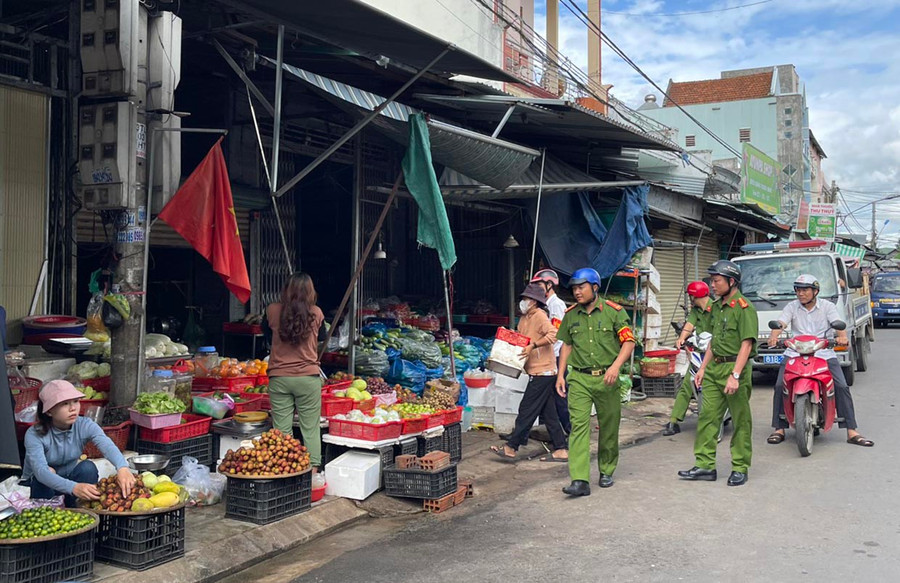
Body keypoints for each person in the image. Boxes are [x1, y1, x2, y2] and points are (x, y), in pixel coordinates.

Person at [766, 274, 874, 447]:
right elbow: (781, 323)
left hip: (823, 353)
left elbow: (838, 323)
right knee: (780, 385)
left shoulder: (827, 307)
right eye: (798, 290)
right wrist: (774, 336)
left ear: (815, 291)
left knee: (841, 386)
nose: (801, 294)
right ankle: (779, 428)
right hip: (795, 353)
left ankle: (851, 430)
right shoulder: (792, 306)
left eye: (805, 290)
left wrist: (842, 337)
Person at [557, 268, 636, 496]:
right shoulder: (571, 315)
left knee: (609, 426)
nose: (577, 292)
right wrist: (560, 375)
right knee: (578, 428)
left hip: (607, 379)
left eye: (581, 287)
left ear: (594, 287)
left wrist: (615, 367)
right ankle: (580, 480)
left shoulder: (614, 312)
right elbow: (566, 345)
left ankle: (606, 469)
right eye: (574, 288)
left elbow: (629, 342)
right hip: (579, 379)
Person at [679, 260, 757, 487]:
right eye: (712, 281)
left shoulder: (744, 308)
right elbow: (714, 340)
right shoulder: (716, 307)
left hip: (734, 368)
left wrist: (735, 375)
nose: (712, 285)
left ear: (731, 282)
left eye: (716, 281)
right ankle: (705, 465)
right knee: (707, 417)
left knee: (741, 420)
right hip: (714, 369)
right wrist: (703, 367)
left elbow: (746, 345)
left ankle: (740, 467)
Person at [22, 380, 134, 507]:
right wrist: (73, 487)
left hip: (68, 481)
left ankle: (80, 509)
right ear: (49, 411)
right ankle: (49, 511)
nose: (73, 408)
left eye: (75, 401)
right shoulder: (34, 434)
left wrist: (122, 467)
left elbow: (107, 445)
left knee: (87, 468)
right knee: (48, 472)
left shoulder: (84, 425)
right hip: (38, 487)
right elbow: (41, 472)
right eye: (65, 404)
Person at [490, 283, 568, 462]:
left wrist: (534, 345)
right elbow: (522, 337)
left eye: (526, 299)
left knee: (527, 409)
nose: (523, 301)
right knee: (549, 413)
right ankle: (561, 448)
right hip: (535, 370)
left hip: (544, 371)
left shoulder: (540, 316)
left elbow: (554, 334)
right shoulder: (524, 318)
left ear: (534, 301)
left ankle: (512, 446)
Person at [266, 272, 327, 470]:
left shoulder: (272, 310)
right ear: (310, 292)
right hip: (308, 378)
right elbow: (321, 337)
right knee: (310, 429)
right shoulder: (316, 313)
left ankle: (286, 471)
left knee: (282, 431)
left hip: (279, 377)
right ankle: (313, 471)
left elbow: (266, 335)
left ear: (286, 290)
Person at [663, 281, 713, 436]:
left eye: (691, 296)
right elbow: (689, 325)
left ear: (696, 296)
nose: (690, 299)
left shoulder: (717, 308)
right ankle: (674, 420)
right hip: (699, 354)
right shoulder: (696, 310)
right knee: (687, 385)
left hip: (714, 354)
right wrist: (681, 338)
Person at [531, 269, 571, 435]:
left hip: (555, 358)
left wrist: (550, 356)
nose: (537, 289)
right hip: (547, 358)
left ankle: (570, 431)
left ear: (549, 285)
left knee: (559, 397)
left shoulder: (556, 305)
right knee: (546, 399)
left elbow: (557, 335)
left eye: (539, 285)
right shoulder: (545, 305)